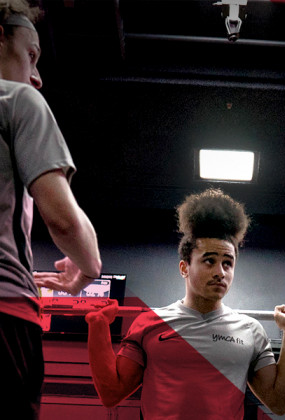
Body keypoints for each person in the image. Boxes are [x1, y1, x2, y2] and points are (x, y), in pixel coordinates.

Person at [86, 188, 285, 419]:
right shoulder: (149, 323)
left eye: (228, 263)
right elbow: (111, 394)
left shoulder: (251, 331)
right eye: (209, 261)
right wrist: (97, 326)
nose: (220, 272)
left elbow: (278, 402)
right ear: (184, 268)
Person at [0, 1, 102, 419]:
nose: (36, 77)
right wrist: (89, 267)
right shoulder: (16, 99)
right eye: (31, 56)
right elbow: (62, 220)